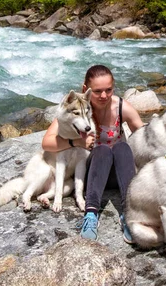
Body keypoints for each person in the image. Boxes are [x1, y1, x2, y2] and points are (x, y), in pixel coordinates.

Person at [42, 64, 143, 242]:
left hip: (118, 175)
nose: (103, 96)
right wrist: (76, 142)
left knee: (122, 147)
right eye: (97, 91)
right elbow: (47, 143)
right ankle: (91, 214)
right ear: (86, 90)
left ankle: (129, 215)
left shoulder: (121, 107)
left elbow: (143, 137)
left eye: (108, 90)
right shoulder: (78, 110)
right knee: (102, 150)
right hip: (91, 175)